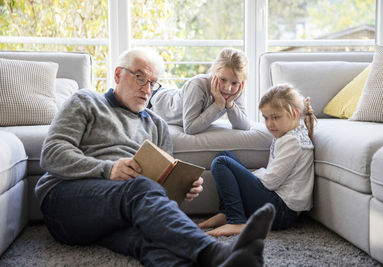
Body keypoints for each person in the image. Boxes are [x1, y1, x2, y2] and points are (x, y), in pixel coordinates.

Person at [35, 47, 276, 267]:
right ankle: (216, 253)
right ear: (118, 74)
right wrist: (108, 169)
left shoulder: (157, 125)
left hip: (119, 213)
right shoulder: (86, 101)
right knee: (138, 188)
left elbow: (158, 194)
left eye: (152, 82)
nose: (146, 88)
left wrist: (182, 188)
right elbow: (52, 154)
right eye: (140, 77)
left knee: (150, 240)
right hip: (65, 202)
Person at [199, 83, 317, 237]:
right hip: (277, 207)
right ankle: (227, 212)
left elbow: (271, 181)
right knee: (224, 155)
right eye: (266, 118)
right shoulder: (287, 135)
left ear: (294, 114)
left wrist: (247, 177)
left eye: (275, 117)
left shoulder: (293, 141)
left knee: (222, 162)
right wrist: (243, 177)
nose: (269, 124)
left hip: (281, 212)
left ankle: (236, 220)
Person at [150, 47, 251, 134]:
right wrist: (218, 105)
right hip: (154, 99)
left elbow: (245, 126)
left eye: (234, 83)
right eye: (223, 80)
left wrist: (230, 104)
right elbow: (190, 128)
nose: (228, 88)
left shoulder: (236, 90)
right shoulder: (197, 85)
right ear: (214, 73)